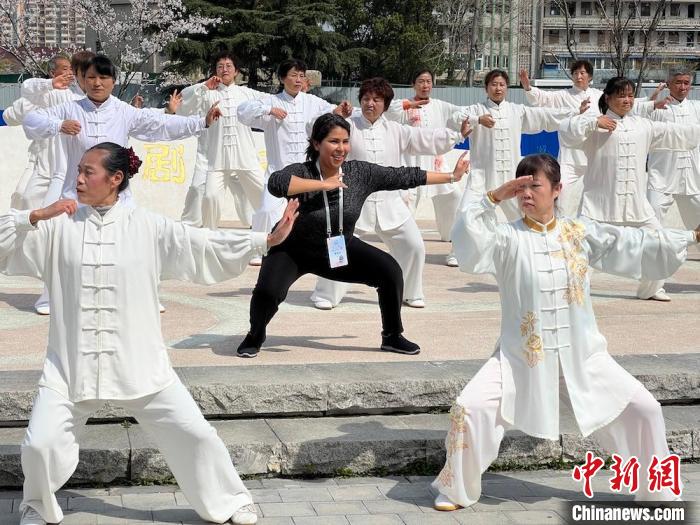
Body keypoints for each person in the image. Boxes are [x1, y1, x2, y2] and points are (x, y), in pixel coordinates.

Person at [1, 143, 300, 525]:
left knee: (195, 434)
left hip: (140, 362)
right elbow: (4, 246)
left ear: (115, 179)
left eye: (87, 172)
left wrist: (265, 241)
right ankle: (37, 505)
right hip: (69, 365)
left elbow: (203, 243)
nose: (77, 179)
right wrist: (33, 216)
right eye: (78, 169)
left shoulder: (148, 226)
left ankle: (229, 500)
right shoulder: (57, 226)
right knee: (39, 444)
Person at [432, 153, 699, 512]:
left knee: (646, 408)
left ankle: (658, 491)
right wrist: (493, 197)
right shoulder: (506, 238)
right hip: (520, 356)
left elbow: (633, 243)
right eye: (520, 186)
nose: (526, 193)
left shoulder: (578, 233)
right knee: (468, 407)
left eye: (534, 185)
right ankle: (455, 490)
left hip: (583, 354)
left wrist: (691, 235)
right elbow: (468, 244)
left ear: (557, 189)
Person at [235, 113, 469, 358]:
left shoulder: (358, 173)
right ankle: (255, 335)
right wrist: (323, 185)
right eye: (333, 141)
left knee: (389, 271)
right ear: (316, 143)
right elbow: (277, 183)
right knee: (267, 293)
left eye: (345, 141)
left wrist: (451, 176)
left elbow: (404, 176)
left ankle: (392, 336)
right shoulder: (302, 171)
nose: (341, 148)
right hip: (293, 249)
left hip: (338, 247)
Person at [311, 77, 470, 310]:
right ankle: (326, 293)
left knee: (414, 245)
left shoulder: (395, 130)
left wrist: (456, 136)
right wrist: (335, 117)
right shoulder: (347, 125)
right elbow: (315, 131)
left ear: (385, 104)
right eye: (365, 99)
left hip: (390, 202)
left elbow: (425, 138)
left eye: (376, 99)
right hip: (352, 202)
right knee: (338, 246)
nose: (370, 104)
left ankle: (408, 291)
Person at [560, 76, 700, 302]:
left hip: (636, 206)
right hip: (599, 205)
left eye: (630, 95)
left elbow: (677, 133)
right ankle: (572, 290)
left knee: (659, 244)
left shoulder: (643, 126)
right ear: (608, 98)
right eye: (621, 95)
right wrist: (594, 122)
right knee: (581, 251)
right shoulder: (595, 124)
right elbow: (566, 131)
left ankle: (651, 289)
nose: (626, 100)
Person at [22, 55, 220, 207]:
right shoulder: (70, 108)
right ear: (83, 80)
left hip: (116, 197)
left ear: (113, 81)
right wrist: (58, 125)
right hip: (77, 196)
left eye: (103, 77)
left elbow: (159, 124)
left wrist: (201, 122)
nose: (97, 83)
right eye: (91, 77)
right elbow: (32, 120)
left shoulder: (123, 111)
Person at [237, 58, 353, 234]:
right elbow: (242, 112)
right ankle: (262, 249)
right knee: (268, 211)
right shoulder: (270, 100)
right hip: (278, 171)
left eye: (301, 75)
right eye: (293, 75)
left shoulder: (312, 101)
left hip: (308, 171)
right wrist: (269, 110)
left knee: (318, 213)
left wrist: (339, 111)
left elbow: (331, 112)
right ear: (283, 78)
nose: (298, 79)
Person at [460, 69, 577, 223]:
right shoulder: (476, 110)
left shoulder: (516, 110)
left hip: (511, 176)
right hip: (482, 176)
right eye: (494, 84)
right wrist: (478, 120)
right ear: (486, 88)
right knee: (465, 215)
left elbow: (546, 115)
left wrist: (575, 112)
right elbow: (456, 117)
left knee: (525, 217)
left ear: (507, 88)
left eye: (502, 84)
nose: (498, 88)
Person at [177, 51, 269, 236]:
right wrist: (204, 86)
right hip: (217, 159)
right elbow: (183, 100)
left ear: (236, 71)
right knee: (210, 197)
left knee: (263, 197)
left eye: (228, 66)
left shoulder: (246, 93)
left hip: (245, 158)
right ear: (215, 71)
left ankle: (266, 239)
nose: (224, 69)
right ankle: (210, 239)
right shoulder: (207, 93)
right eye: (220, 66)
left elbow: (272, 102)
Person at [385, 68, 470, 267]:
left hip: (437, 163)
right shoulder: (403, 107)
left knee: (454, 198)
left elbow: (462, 113)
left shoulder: (440, 106)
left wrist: (469, 119)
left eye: (429, 81)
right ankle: (400, 247)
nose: (425, 85)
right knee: (407, 205)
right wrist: (407, 104)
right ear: (413, 84)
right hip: (412, 164)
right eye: (421, 81)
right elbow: (387, 111)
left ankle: (452, 239)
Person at [519, 60, 602, 217]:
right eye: (575, 73)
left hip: (593, 156)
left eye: (582, 73)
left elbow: (619, 106)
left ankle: (587, 229)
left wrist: (650, 103)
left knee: (593, 197)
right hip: (570, 158)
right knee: (561, 195)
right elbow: (544, 98)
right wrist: (528, 87)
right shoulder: (564, 96)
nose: (578, 76)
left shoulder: (600, 96)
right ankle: (558, 226)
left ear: (590, 76)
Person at [646, 68, 700, 230]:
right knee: (651, 220)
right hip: (662, 177)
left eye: (686, 83)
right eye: (678, 82)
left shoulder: (697, 108)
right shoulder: (657, 108)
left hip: (693, 178)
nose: (682, 87)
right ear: (668, 84)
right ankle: (650, 255)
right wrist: (650, 102)